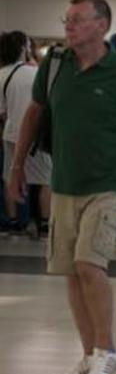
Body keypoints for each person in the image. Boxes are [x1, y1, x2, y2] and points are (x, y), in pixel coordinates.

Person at [6, 0, 116, 374]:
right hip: (64, 183)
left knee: (90, 266)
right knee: (71, 273)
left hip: (108, 184)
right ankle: (88, 352)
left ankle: (107, 351)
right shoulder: (55, 66)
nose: (68, 25)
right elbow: (34, 114)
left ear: (101, 26)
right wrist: (18, 165)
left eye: (77, 19)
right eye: (67, 19)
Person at [0, 31, 51, 234]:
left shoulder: (1, 74)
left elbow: (2, 113)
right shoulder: (37, 73)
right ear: (24, 49)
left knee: (10, 176)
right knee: (46, 179)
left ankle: (14, 221)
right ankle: (45, 223)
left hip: (12, 133)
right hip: (38, 135)